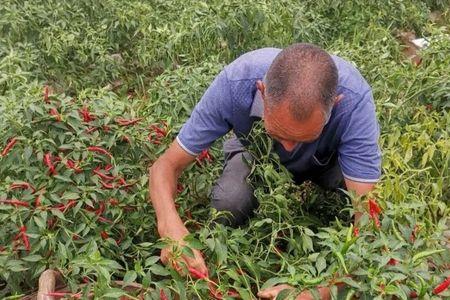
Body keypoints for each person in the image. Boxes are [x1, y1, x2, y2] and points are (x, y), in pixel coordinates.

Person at [149, 43, 381, 299]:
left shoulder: (353, 100)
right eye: (279, 133)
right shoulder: (237, 82)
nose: (290, 148)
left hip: (327, 162)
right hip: (258, 155)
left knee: (360, 203)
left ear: (335, 104)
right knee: (229, 202)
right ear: (262, 91)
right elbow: (165, 166)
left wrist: (319, 292)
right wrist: (169, 227)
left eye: (303, 138)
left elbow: (369, 226)